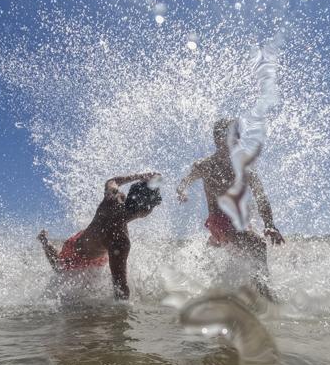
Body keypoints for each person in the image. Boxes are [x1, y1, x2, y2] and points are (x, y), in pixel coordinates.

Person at [176, 119, 283, 299]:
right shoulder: (204, 165)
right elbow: (183, 183)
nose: (239, 139)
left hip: (240, 220)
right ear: (218, 139)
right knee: (257, 246)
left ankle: (238, 295)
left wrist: (270, 224)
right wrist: (182, 192)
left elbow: (260, 195)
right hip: (218, 220)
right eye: (233, 135)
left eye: (238, 135)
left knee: (247, 257)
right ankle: (268, 300)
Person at [37, 172, 162, 300]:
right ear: (145, 211)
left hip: (95, 247)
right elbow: (120, 287)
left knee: (93, 280)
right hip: (77, 252)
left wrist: (139, 176)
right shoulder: (120, 241)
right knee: (58, 267)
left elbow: (113, 180)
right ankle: (44, 241)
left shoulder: (113, 197)